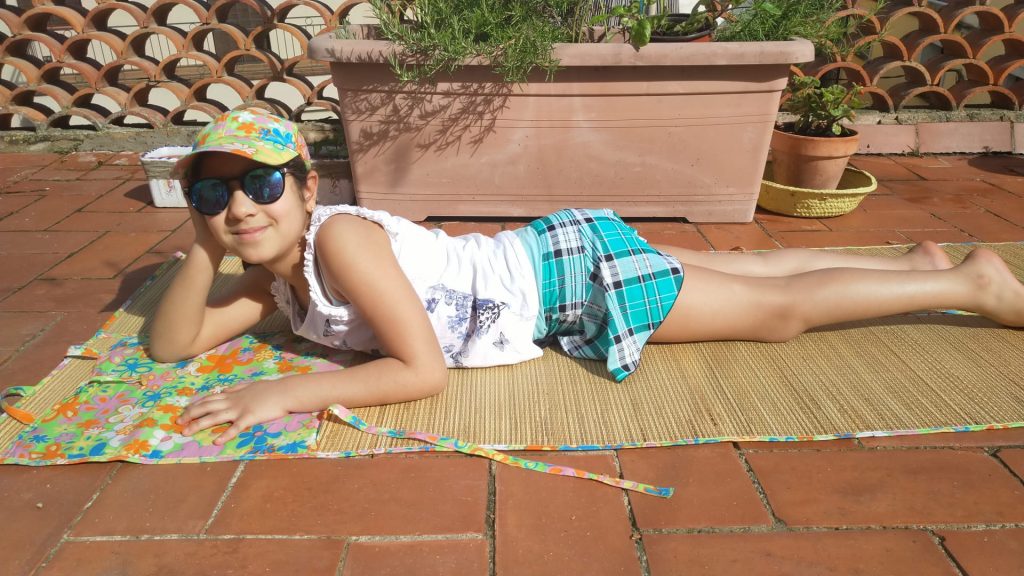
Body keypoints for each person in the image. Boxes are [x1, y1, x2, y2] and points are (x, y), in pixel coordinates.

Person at [151, 107, 1024, 446]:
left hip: (571, 280)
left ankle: (966, 285)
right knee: (744, 268)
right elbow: (171, 344)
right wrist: (205, 246)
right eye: (214, 194)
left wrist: (286, 392)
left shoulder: (340, 241)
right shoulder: (276, 283)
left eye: (261, 184)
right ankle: (913, 264)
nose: (241, 207)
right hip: (550, 255)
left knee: (773, 312)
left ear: (308, 188)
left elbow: (420, 370)